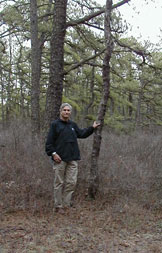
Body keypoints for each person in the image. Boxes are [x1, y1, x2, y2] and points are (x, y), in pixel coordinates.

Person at [45, 103, 100, 214]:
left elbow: (82, 134)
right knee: (59, 183)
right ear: (60, 111)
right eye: (64, 110)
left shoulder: (72, 125)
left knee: (71, 182)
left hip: (72, 159)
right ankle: (58, 206)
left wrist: (92, 128)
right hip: (59, 159)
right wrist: (54, 154)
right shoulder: (55, 125)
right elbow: (49, 143)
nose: (66, 112)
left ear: (70, 112)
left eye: (68, 110)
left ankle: (66, 205)